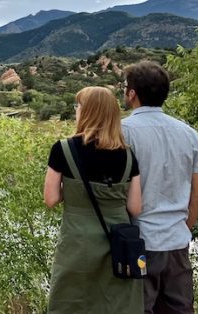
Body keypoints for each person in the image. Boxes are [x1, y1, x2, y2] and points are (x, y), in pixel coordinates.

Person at [44, 86, 143, 313]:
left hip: (77, 245)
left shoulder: (63, 149)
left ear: (87, 112)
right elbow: (135, 208)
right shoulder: (128, 155)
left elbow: (50, 199)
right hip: (119, 248)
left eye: (78, 106)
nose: (76, 110)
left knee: (71, 304)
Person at [122, 61, 198, 314]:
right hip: (177, 244)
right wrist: (183, 228)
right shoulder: (190, 134)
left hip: (139, 242)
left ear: (132, 93)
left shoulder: (122, 132)